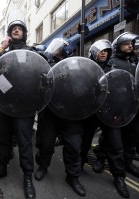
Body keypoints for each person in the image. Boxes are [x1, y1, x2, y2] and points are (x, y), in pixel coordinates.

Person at [0, 20, 36, 199]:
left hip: (25, 104)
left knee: (24, 141)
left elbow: (42, 72)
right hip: (4, 103)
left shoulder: (31, 52)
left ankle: (28, 176)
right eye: (13, 29)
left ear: (24, 33)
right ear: (8, 34)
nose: (16, 30)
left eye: (19, 28)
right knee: (3, 138)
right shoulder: (2, 53)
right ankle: (1, 168)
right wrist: (1, 48)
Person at [34, 38, 89, 197]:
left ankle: (72, 177)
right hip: (51, 112)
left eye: (60, 47)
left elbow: (83, 86)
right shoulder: (46, 64)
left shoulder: (77, 65)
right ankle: (43, 166)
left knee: (73, 146)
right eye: (56, 47)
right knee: (46, 143)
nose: (56, 50)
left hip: (72, 113)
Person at [94, 32, 139, 180]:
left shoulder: (137, 62)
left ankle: (128, 163)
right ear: (118, 46)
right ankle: (111, 168)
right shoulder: (111, 63)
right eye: (126, 43)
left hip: (133, 108)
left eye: (131, 43)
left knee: (131, 139)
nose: (130, 46)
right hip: (115, 107)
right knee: (113, 142)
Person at [81, 39, 129, 198]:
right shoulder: (87, 69)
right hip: (91, 112)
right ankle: (77, 167)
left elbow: (120, 90)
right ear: (93, 52)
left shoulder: (114, 69)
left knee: (116, 144)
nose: (104, 53)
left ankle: (119, 177)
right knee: (84, 141)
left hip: (109, 111)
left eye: (107, 51)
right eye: (101, 50)